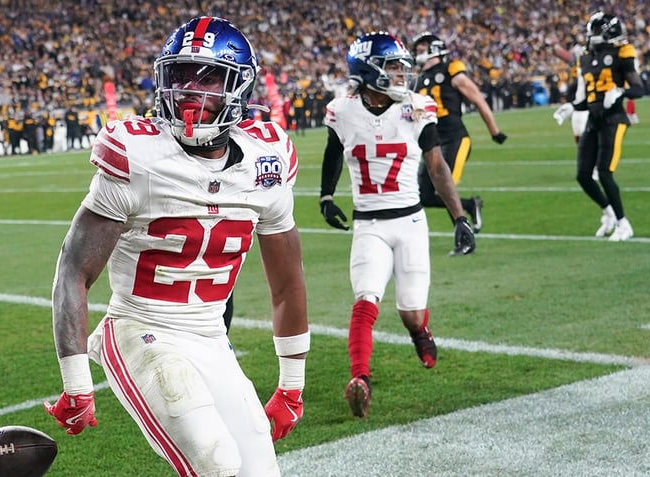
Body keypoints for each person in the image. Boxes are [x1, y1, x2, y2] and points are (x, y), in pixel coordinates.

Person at [44, 16, 310, 477]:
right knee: (217, 463)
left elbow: (287, 284)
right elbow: (73, 268)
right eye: (180, 75)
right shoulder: (139, 155)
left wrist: (291, 385)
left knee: (260, 472)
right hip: (140, 328)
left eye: (207, 77)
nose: (188, 89)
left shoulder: (266, 162)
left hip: (210, 336)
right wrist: (75, 381)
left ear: (239, 87)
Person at [318, 32, 475, 419]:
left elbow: (437, 165)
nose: (401, 74)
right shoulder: (342, 110)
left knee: (410, 310)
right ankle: (360, 380)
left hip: (411, 222)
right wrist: (325, 196)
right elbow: (333, 153)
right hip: (368, 223)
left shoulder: (418, 107)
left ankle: (419, 332)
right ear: (369, 69)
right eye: (392, 66)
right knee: (365, 299)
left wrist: (459, 216)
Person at [410, 32, 508, 233]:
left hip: (454, 138)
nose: (418, 51)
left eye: (422, 47)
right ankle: (470, 205)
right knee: (425, 195)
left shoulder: (451, 71)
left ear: (433, 48)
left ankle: (463, 235)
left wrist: (494, 131)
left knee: (445, 187)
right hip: (430, 142)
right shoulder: (417, 81)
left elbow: (478, 99)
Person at [560, 12, 644, 241]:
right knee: (583, 175)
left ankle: (624, 224)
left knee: (605, 172)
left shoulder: (622, 53)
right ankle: (608, 213)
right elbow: (586, 99)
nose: (592, 36)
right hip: (593, 119)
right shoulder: (585, 58)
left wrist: (621, 92)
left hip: (614, 120)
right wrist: (572, 107)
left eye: (596, 31)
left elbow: (640, 89)